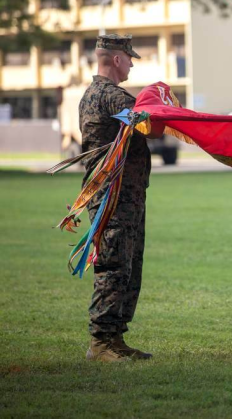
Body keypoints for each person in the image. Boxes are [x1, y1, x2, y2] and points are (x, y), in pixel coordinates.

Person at [80, 34, 152, 362]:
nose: (133, 64)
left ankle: (115, 338)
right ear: (118, 59)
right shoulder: (112, 97)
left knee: (126, 265)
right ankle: (100, 342)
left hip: (124, 195)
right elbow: (146, 123)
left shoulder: (92, 94)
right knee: (113, 266)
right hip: (116, 196)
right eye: (130, 58)